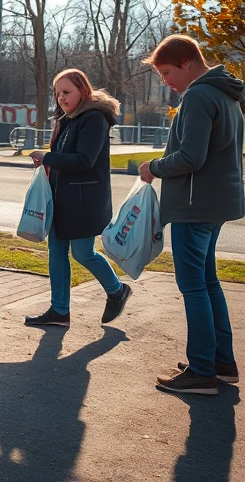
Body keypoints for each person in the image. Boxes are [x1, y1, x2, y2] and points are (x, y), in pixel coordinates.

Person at [139, 35, 243, 395]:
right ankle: (221, 362)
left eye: (167, 72)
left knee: (194, 287)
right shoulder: (226, 95)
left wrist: (153, 166)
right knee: (209, 282)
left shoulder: (198, 96)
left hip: (193, 206)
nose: (165, 80)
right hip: (214, 205)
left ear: (187, 63)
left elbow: (191, 158)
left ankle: (201, 371)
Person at [24, 69, 132, 327]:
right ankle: (59, 310)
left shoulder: (93, 118)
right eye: (57, 93)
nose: (61, 98)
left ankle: (117, 290)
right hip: (62, 199)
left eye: (66, 92)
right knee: (56, 253)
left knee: (83, 253)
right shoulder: (68, 118)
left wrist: (47, 157)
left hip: (85, 202)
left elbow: (85, 159)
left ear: (83, 91)